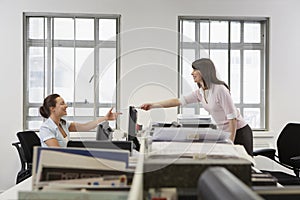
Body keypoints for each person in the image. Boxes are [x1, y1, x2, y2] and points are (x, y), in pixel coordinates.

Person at [140, 58, 253, 156]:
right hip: (224, 133)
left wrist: (230, 143)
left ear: (203, 71)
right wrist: (153, 105)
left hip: (239, 132)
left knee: (245, 170)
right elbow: (177, 101)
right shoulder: (200, 92)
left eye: (195, 70)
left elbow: (232, 118)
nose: (192, 73)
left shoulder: (220, 90)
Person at [39, 94, 121, 147]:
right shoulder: (46, 128)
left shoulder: (63, 124)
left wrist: (105, 118)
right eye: (62, 103)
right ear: (52, 108)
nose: (66, 106)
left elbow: (85, 127)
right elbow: (58, 152)